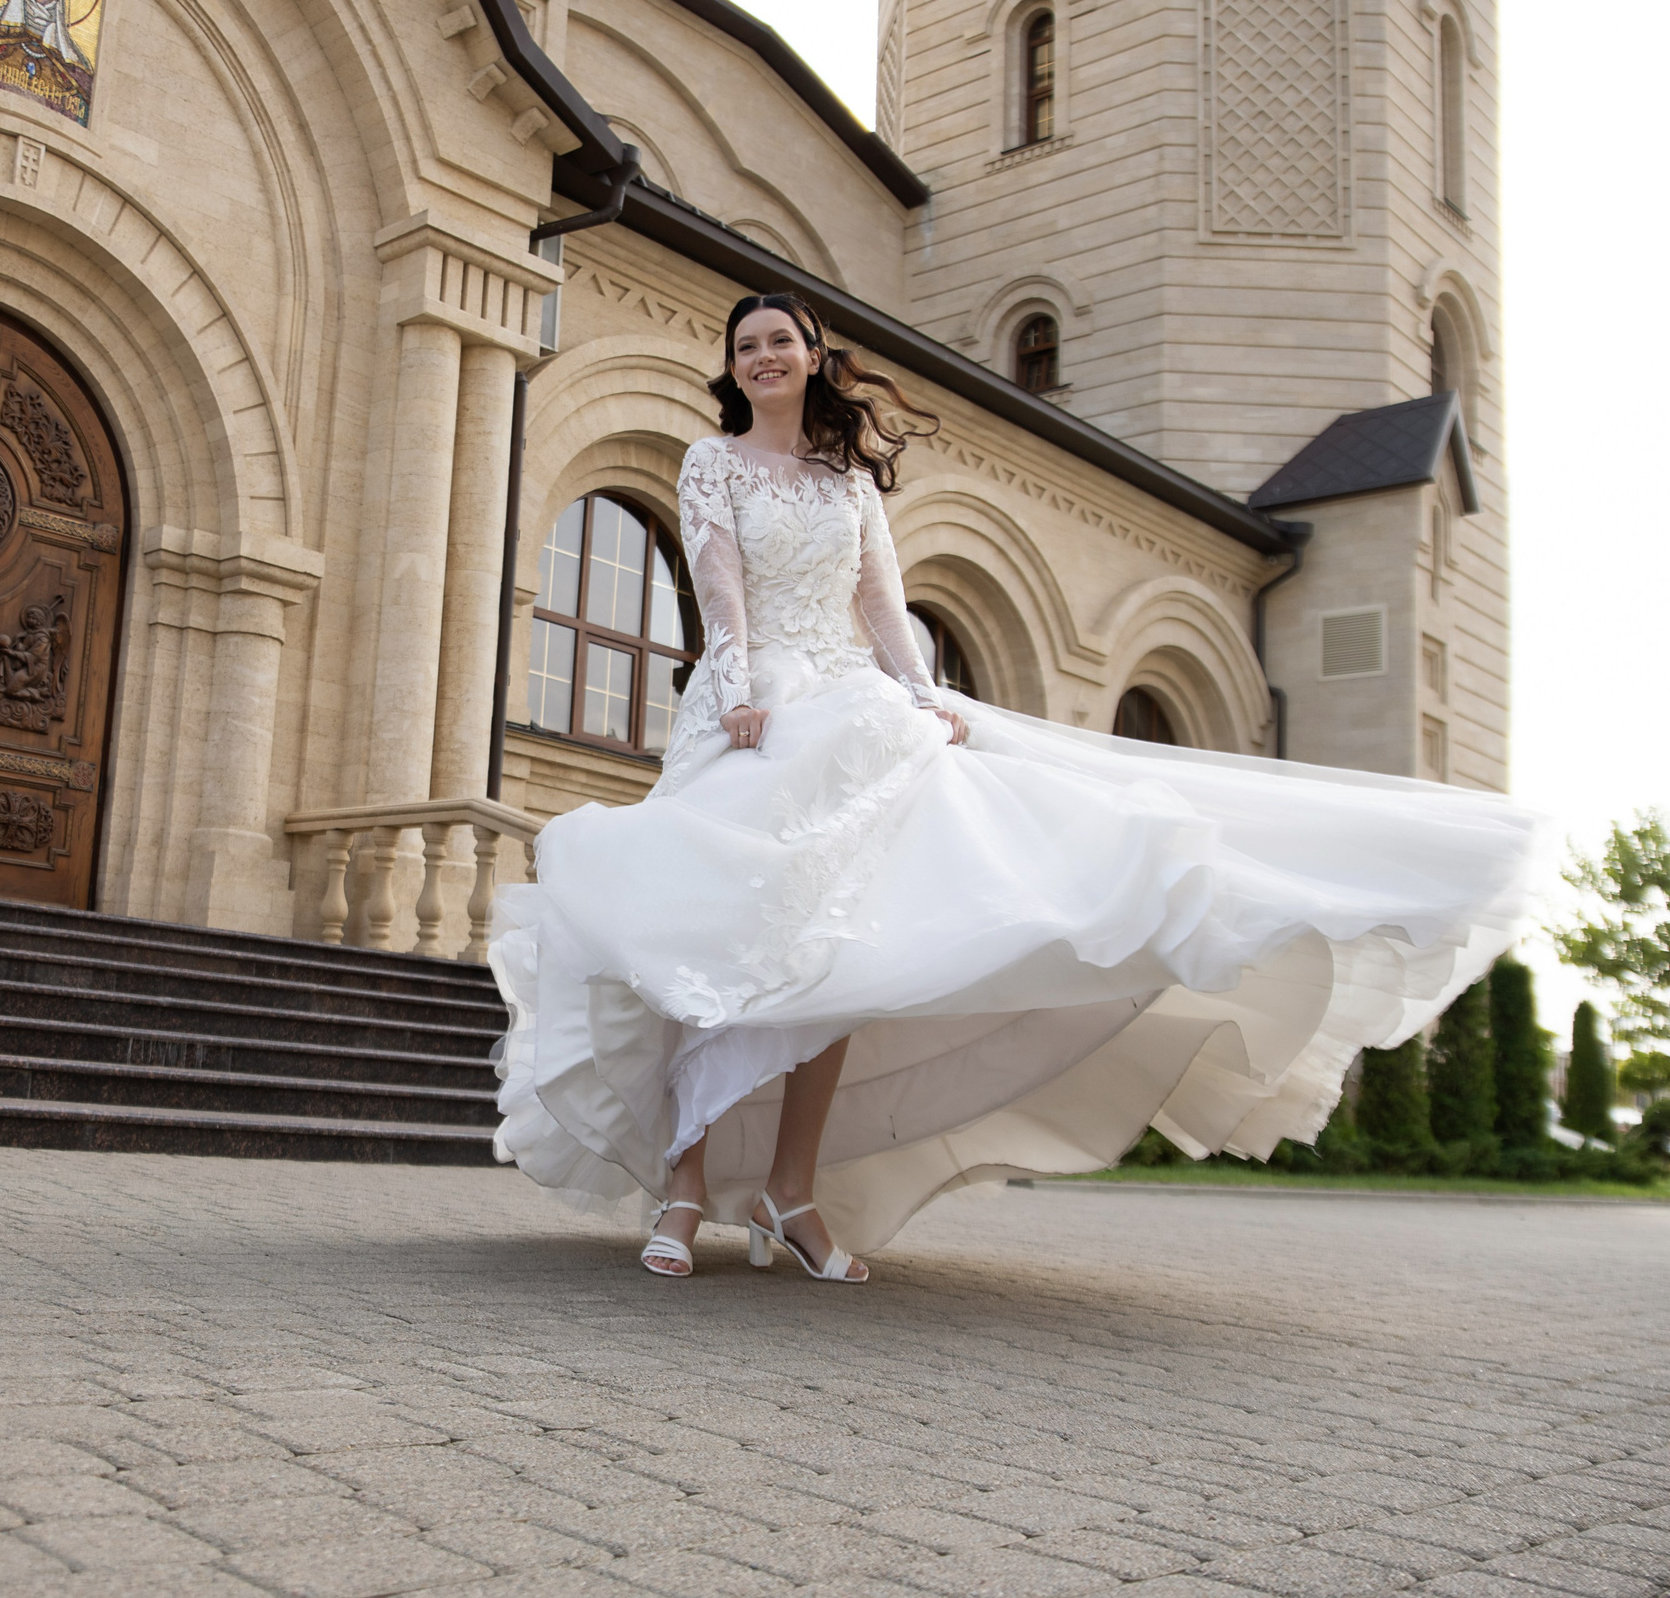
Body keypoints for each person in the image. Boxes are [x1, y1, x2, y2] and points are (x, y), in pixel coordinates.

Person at [488, 293, 1547, 1283]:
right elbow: (718, 588)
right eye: (746, 346)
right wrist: (733, 695)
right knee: (703, 940)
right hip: (752, 709)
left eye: (781, 341)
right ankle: (681, 1188)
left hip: (852, 711)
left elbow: (883, 605)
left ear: (813, 358)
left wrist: (923, 694)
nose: (763, 356)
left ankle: (790, 1190)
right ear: (732, 368)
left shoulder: (849, 483)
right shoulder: (711, 461)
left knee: (843, 955)